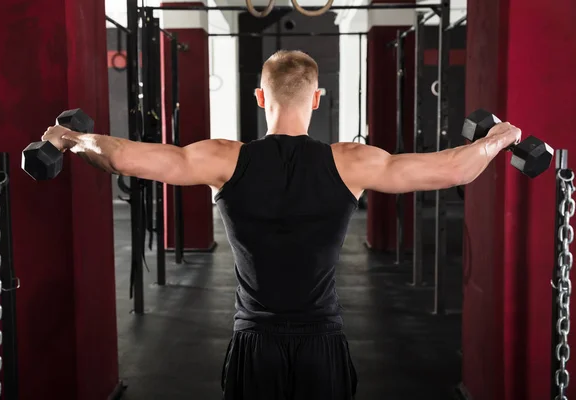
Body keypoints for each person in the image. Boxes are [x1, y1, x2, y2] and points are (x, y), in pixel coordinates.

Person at [42, 50, 521, 400]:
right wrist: (500, 138)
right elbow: (454, 168)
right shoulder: (353, 162)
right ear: (317, 99)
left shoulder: (222, 159)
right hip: (322, 344)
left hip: (255, 345)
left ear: (258, 97)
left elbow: (124, 158)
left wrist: (69, 138)